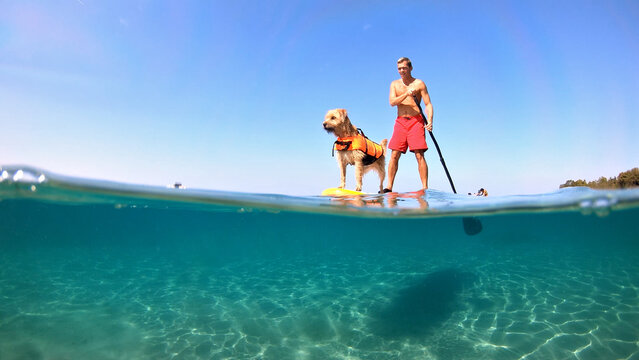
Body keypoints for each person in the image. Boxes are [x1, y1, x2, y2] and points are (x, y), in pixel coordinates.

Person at [383, 57, 433, 193]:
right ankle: (389, 187)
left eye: (404, 68)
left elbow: (428, 104)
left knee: (419, 154)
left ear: (410, 68)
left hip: (416, 121)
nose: (401, 71)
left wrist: (430, 121)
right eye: (399, 68)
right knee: (394, 154)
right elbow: (392, 102)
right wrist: (406, 93)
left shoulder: (419, 84)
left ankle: (425, 188)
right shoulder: (394, 84)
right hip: (400, 122)